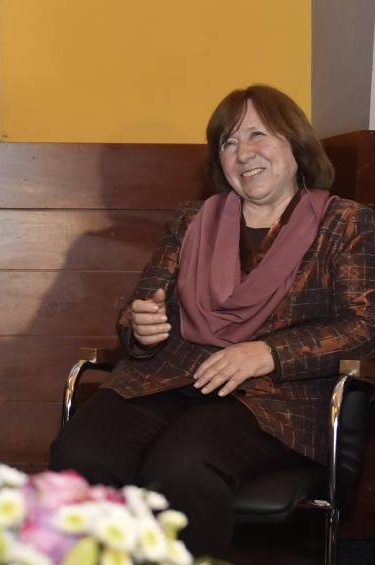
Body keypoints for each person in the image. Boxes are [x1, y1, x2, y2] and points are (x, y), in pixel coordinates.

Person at [49, 84, 375, 556]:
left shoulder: (346, 224)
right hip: (169, 379)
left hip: (275, 401)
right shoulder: (192, 221)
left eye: (258, 135)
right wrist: (139, 327)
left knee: (182, 466)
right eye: (229, 142)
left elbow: (365, 328)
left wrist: (268, 353)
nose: (244, 153)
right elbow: (141, 309)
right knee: (77, 455)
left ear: (295, 144)